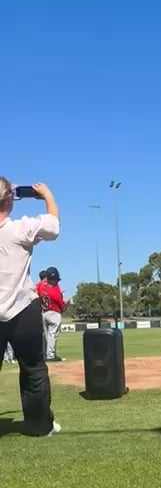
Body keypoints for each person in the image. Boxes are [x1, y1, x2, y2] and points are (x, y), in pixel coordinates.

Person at [0, 178, 61, 436]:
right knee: (34, 370)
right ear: (10, 199)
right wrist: (46, 195)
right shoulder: (19, 228)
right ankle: (39, 425)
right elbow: (54, 227)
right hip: (22, 310)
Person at [37, 266, 66, 361]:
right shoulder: (55, 289)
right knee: (52, 335)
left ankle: (45, 355)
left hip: (43, 312)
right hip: (54, 312)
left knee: (45, 336)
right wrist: (65, 306)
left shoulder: (40, 285)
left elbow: (35, 292)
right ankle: (50, 355)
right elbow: (61, 304)